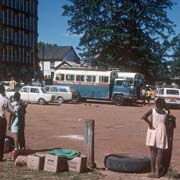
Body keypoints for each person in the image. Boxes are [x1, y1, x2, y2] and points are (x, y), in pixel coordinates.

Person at [142, 98, 169, 178]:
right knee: (160, 151)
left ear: (156, 104)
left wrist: (150, 123)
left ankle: (153, 171)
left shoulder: (153, 110)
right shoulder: (166, 112)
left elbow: (144, 117)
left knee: (153, 152)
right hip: (162, 131)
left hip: (153, 130)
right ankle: (158, 172)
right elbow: (167, 123)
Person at [0, 84, 15, 161]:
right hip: (1, 120)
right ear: (3, 90)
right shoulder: (5, 99)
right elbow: (11, 110)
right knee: (1, 138)